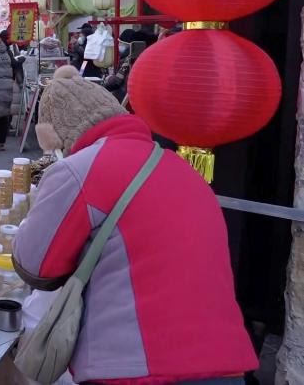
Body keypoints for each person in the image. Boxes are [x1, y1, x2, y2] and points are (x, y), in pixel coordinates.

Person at [14, 65, 257, 384]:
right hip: (226, 362)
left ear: (60, 134)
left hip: (136, 365)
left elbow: (35, 266)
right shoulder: (180, 168)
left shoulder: (81, 168)